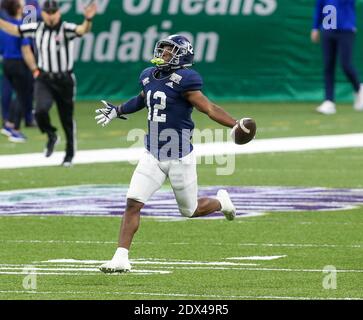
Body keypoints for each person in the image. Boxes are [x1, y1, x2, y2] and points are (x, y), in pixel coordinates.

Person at [95, 35, 240, 273]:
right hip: (152, 153)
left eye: (168, 50)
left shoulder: (187, 80)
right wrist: (118, 110)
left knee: (189, 210)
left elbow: (209, 108)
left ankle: (221, 202)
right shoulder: (148, 75)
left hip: (179, 157)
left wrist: (234, 124)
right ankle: (121, 257)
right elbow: (143, 99)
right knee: (133, 203)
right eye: (162, 48)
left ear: (182, 54)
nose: (163, 53)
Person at [0, 0, 97, 166]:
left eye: (54, 12)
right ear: (43, 13)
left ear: (58, 13)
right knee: (39, 111)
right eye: (48, 13)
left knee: (66, 118)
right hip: (44, 78)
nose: (51, 16)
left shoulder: (66, 28)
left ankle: (69, 154)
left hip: (64, 79)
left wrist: (88, 19)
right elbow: (15, 30)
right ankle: (51, 134)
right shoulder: (36, 28)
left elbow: (82, 30)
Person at [311, 0, 363, 114]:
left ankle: (359, 88)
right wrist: (315, 28)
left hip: (346, 30)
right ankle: (329, 101)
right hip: (327, 30)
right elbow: (319, 8)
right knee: (328, 65)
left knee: (346, 64)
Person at [0, 0, 33, 142]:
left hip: (7, 62)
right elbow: (26, 51)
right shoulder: (20, 27)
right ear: (18, 8)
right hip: (19, 63)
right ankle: (13, 128)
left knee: (10, 92)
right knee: (21, 95)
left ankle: (7, 123)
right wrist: (35, 68)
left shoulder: (5, 27)